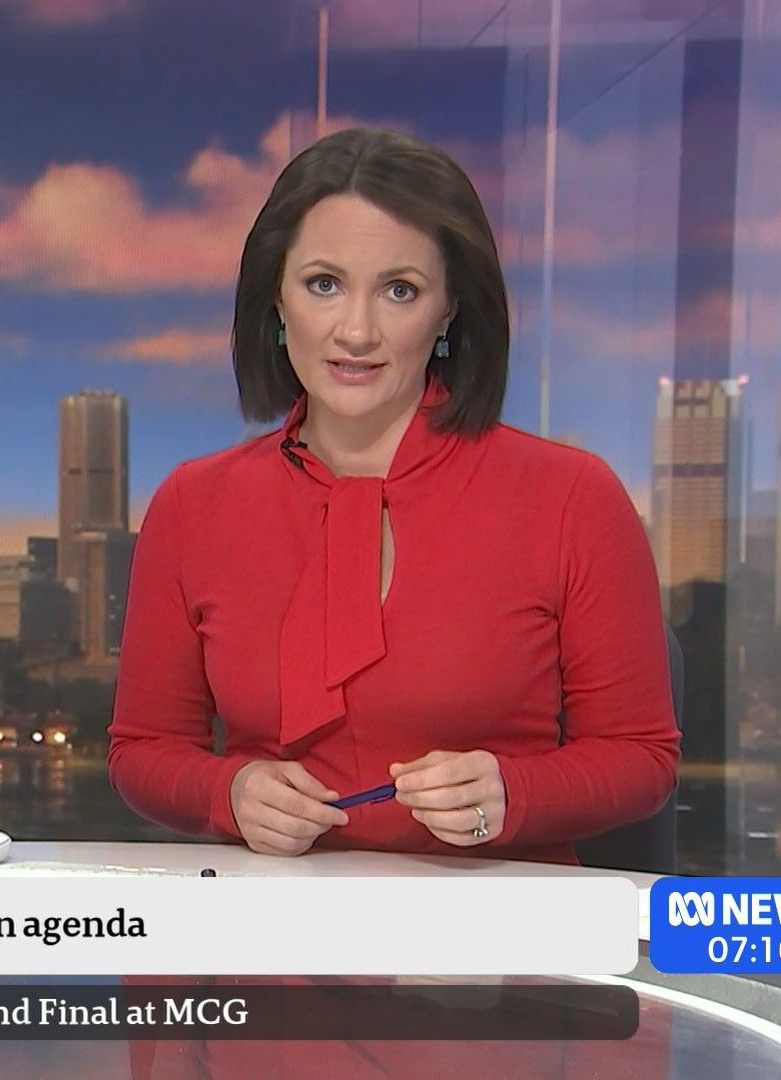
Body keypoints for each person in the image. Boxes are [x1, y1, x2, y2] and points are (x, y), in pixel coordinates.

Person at [108, 127, 678, 865]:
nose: (356, 331)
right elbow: (142, 750)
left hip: (498, 925)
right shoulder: (192, 505)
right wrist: (230, 790)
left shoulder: (572, 496)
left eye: (399, 290)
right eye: (323, 284)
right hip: (269, 920)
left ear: (448, 311)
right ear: (276, 298)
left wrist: (515, 794)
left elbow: (642, 757)